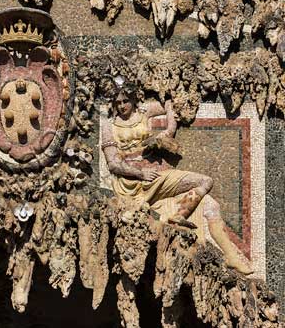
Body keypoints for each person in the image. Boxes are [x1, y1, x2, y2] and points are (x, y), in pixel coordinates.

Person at [101, 75, 252, 275]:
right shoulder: (108, 125)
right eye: (117, 102)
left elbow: (169, 103)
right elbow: (113, 164)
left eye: (125, 101)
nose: (121, 106)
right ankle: (180, 223)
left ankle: (179, 218)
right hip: (132, 184)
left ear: (133, 99)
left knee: (206, 184)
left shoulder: (145, 112)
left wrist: (168, 131)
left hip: (157, 175)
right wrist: (140, 173)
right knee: (208, 203)